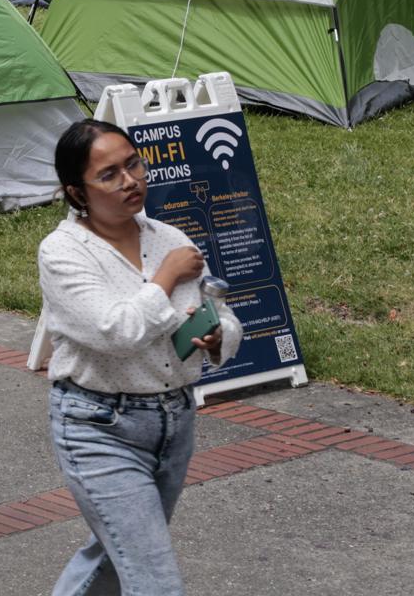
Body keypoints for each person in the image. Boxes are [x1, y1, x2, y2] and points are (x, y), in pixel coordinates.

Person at [37, 119, 242, 595]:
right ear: (76, 191)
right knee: (154, 578)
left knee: (113, 556)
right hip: (98, 424)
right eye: (108, 175)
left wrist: (218, 337)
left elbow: (221, 311)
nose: (130, 180)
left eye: (132, 163)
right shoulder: (63, 252)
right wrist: (165, 280)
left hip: (174, 422)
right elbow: (115, 331)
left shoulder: (169, 239)